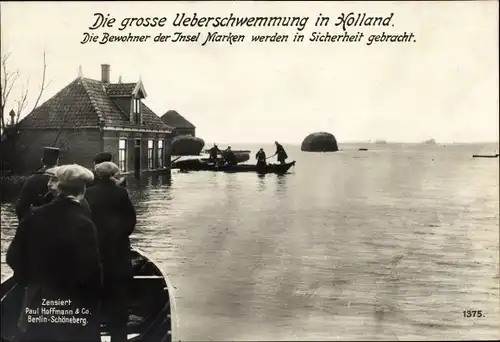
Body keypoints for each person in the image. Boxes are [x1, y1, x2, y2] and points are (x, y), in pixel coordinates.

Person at [7, 164, 102, 342]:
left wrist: (32, 281)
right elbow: (90, 271)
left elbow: (13, 257)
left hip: (37, 299)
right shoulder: (83, 223)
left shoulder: (33, 216)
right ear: (82, 191)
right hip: (70, 302)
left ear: (58, 188)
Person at [84, 161, 137, 342]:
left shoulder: (87, 193)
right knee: (118, 293)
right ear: (114, 175)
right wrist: (120, 235)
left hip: (94, 250)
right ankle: (118, 333)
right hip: (117, 251)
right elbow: (131, 221)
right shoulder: (120, 193)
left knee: (93, 293)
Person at [15, 146, 60, 221]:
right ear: (57, 161)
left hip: (37, 222)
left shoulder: (31, 180)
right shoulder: (64, 179)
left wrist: (27, 225)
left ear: (42, 161)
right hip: (59, 224)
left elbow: (21, 208)